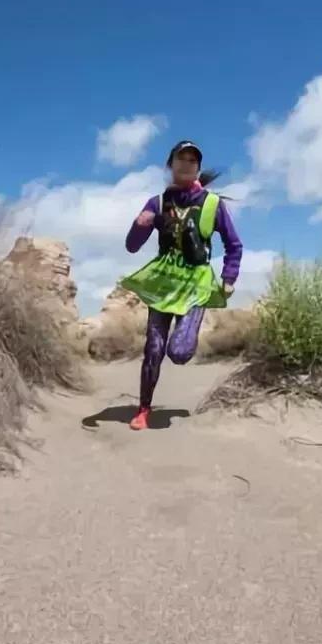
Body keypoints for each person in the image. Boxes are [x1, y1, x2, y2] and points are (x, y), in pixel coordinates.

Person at [118, 140, 243, 430]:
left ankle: (189, 335)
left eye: (192, 160)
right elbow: (132, 247)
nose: (186, 164)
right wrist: (140, 224)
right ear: (170, 165)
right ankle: (144, 410)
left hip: (195, 285)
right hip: (164, 283)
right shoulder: (157, 203)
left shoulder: (213, 204)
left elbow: (234, 245)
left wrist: (228, 278)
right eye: (181, 159)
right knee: (153, 348)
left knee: (180, 352)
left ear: (197, 167)